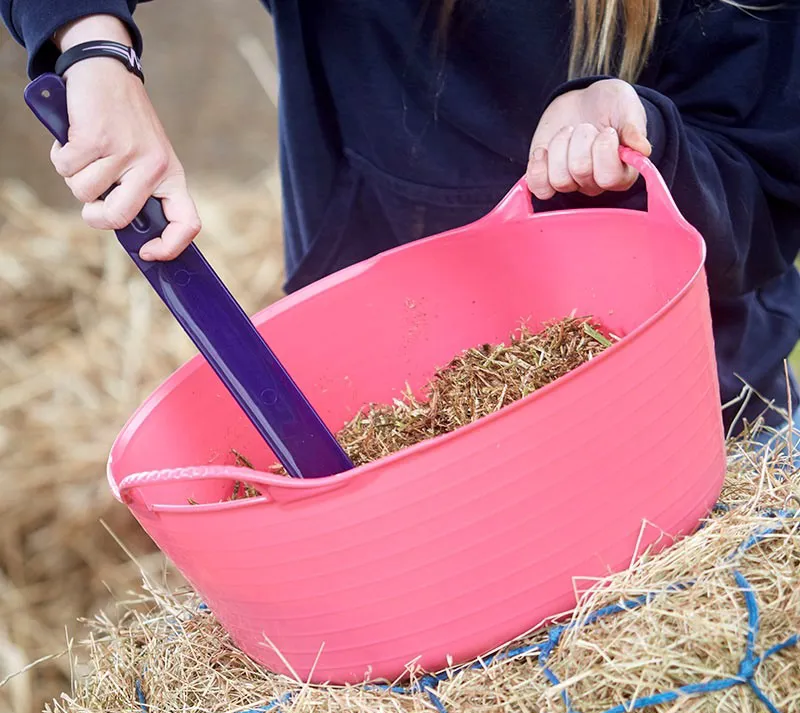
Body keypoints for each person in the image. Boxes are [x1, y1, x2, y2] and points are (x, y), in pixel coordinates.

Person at [3, 0, 800, 443]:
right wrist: (93, 51)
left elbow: (768, 184)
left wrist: (643, 130)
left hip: (685, 418)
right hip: (391, 419)